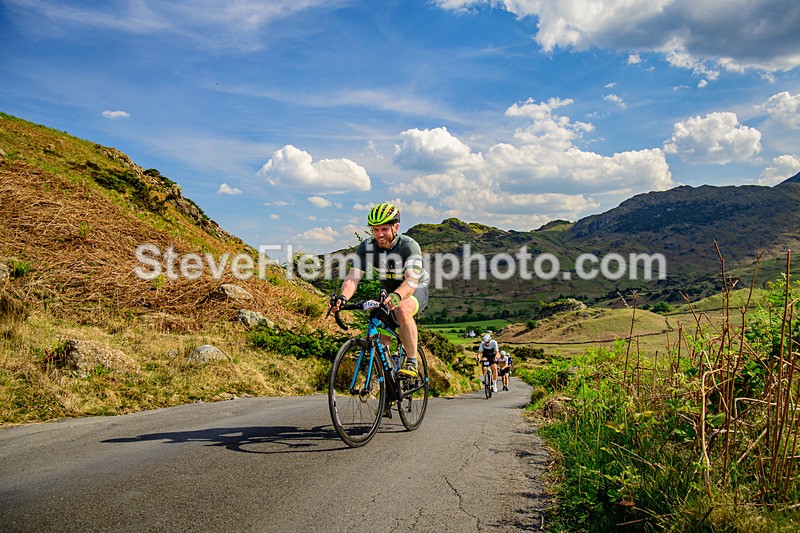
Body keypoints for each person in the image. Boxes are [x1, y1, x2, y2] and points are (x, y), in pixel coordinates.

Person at [328, 202, 429, 381]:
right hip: (388, 291)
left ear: (396, 227)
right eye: (375, 230)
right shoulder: (367, 247)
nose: (379, 234)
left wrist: (397, 296)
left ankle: (412, 362)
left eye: (384, 229)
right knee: (380, 332)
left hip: (414, 289)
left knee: (402, 309)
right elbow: (353, 277)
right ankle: (387, 392)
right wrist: (343, 297)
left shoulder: (408, 246)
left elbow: (411, 280)